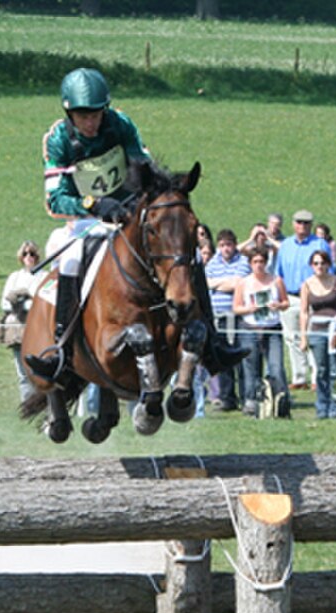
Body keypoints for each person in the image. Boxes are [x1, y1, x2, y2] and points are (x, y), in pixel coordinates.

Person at [27, 67, 243, 382]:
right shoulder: (58, 139)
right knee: (70, 259)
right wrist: (95, 205)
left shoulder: (120, 124)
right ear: (69, 112)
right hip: (84, 221)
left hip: (128, 216)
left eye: (96, 114)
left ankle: (212, 342)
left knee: (188, 256)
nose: (90, 122)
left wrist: (145, 201)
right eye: (82, 116)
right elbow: (55, 200)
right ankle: (61, 347)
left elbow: (144, 170)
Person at [274, 210, 332, 390]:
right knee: (292, 338)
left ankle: (316, 377)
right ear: (293, 224)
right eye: (299, 222)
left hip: (315, 296)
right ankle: (299, 377)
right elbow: (279, 274)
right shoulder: (286, 245)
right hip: (292, 296)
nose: (302, 226)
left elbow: (330, 270)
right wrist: (282, 297)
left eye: (306, 223)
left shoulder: (320, 244)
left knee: (314, 336)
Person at [233, 246, 290, 418]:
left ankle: (280, 401)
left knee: (276, 367)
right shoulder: (243, 283)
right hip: (250, 328)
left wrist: (279, 305)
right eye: (255, 262)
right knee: (250, 367)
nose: (258, 265)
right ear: (250, 264)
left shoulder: (275, 280)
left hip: (272, 329)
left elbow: (286, 302)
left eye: (261, 261)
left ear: (266, 263)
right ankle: (251, 402)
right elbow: (236, 308)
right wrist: (249, 309)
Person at [204, 229, 251, 412]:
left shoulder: (243, 261)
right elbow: (207, 282)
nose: (226, 249)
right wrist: (227, 282)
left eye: (229, 245)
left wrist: (218, 283)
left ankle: (246, 397)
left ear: (234, 244)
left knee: (241, 357)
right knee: (223, 357)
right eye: (222, 245)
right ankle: (227, 398)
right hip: (219, 317)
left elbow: (240, 283)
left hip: (239, 316)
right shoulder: (213, 262)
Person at [298, 250, 336, 419]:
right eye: (316, 263)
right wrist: (303, 337)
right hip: (316, 331)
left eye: (322, 263)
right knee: (321, 369)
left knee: (334, 370)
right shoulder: (307, 285)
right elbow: (304, 312)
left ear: (328, 265)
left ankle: (335, 406)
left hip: (334, 330)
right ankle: (322, 407)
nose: (319, 266)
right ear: (311, 266)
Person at [0, 241, 44, 403]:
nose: (29, 257)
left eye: (32, 253)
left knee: (38, 370)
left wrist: (25, 303)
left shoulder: (43, 276)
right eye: (25, 254)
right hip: (17, 329)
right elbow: (4, 303)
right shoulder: (14, 277)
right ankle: (27, 403)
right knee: (22, 372)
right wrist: (18, 303)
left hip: (38, 330)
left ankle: (41, 402)